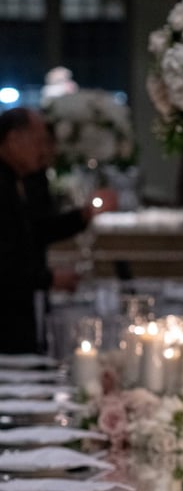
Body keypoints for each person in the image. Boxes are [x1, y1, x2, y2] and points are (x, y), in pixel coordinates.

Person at [0, 107, 104, 354]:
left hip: (19, 309)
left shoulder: (22, 179)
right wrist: (50, 279)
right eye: (39, 142)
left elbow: (36, 230)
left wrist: (83, 216)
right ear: (14, 139)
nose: (45, 151)